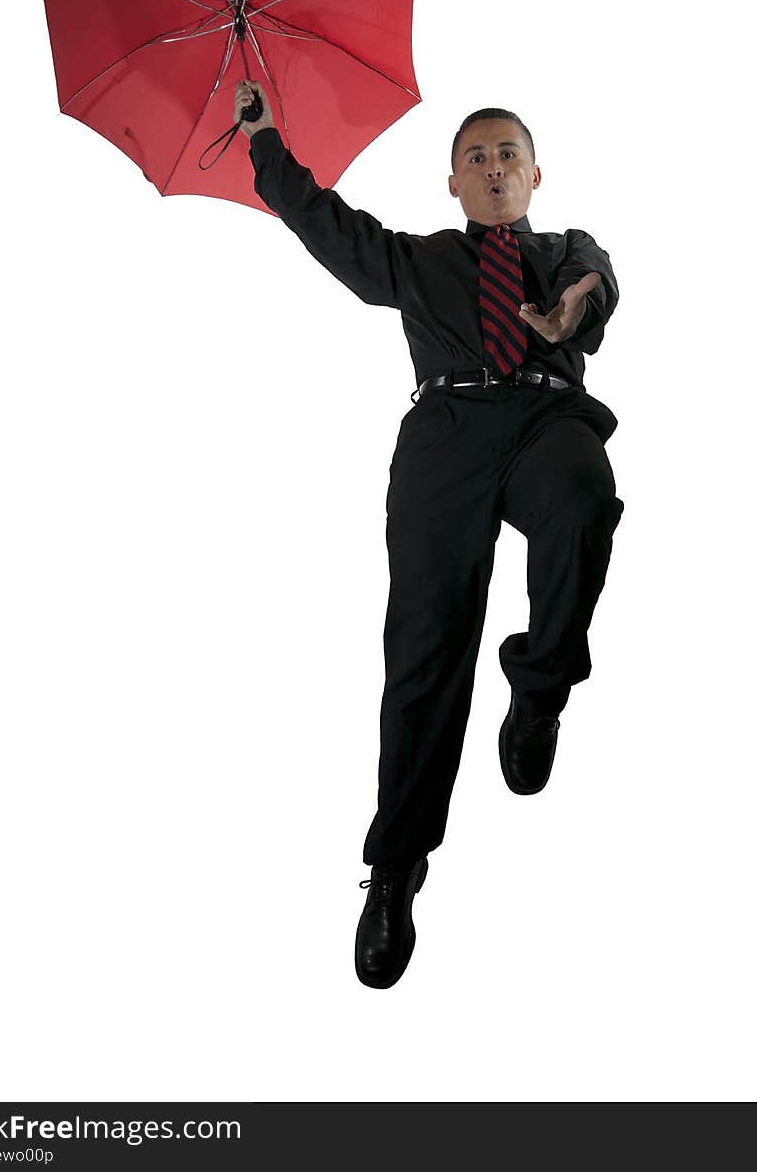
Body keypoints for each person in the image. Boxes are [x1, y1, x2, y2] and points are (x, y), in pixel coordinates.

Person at [234, 80, 624, 990]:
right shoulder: (417, 261)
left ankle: (538, 695)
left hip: (544, 420)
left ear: (535, 174)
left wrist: (570, 311)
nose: (493, 169)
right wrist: (264, 141)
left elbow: (597, 279)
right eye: (476, 158)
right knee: (425, 647)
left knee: (581, 499)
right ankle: (396, 870)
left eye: (508, 156)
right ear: (452, 181)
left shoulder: (569, 248)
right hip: (445, 437)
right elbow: (325, 224)